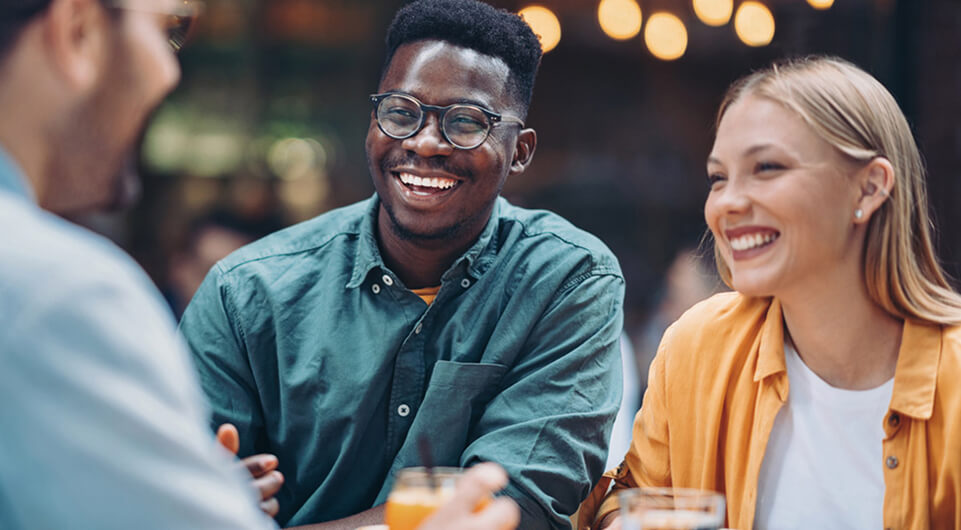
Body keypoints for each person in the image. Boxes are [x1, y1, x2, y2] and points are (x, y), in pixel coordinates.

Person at [0, 0, 522, 528]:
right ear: (78, 30)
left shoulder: (561, 275)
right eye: (170, 30)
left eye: (465, 122)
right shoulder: (57, 295)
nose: (170, 71)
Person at [179, 0, 625, 528]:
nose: (425, 143)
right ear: (374, 121)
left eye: (465, 122)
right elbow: (171, 502)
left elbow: (512, 511)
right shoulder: (246, 293)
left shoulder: (567, 281)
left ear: (520, 151)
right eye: (400, 112)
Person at [578, 56, 961, 529]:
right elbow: (630, 496)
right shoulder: (698, 346)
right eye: (719, 178)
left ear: (869, 188)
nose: (728, 203)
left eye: (767, 167)